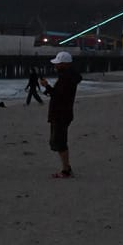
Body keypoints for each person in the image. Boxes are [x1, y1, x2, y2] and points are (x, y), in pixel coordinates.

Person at [46, 49, 82, 178]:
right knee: (57, 141)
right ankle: (66, 168)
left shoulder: (66, 79)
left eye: (58, 63)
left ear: (64, 64)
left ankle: (66, 169)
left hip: (61, 113)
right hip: (63, 113)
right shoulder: (68, 77)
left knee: (59, 142)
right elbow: (60, 94)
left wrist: (48, 87)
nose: (55, 66)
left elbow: (58, 96)